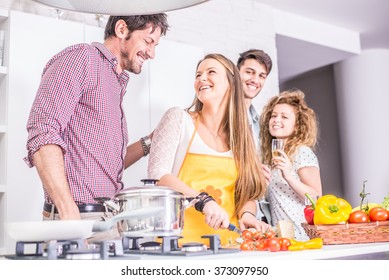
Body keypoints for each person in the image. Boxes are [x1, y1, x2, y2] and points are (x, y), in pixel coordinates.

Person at [24, 15, 169, 227]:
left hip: (108, 218)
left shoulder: (114, 81)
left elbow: (104, 165)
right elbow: (43, 131)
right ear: (121, 29)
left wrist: (150, 142)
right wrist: (68, 210)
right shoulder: (82, 58)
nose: (152, 53)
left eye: (155, 45)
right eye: (148, 41)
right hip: (77, 217)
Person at [148, 53, 270, 246]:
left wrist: (248, 214)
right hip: (180, 243)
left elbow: (246, 192)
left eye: (210, 72)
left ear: (231, 83)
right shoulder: (179, 119)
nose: (201, 79)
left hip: (230, 244)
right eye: (198, 75)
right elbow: (158, 174)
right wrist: (204, 201)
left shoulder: (242, 136)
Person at [259, 89, 323, 240]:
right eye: (273, 115)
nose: (276, 120)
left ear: (297, 126)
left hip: (302, 236)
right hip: (283, 236)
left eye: (284, 117)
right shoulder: (270, 156)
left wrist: (289, 176)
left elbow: (316, 199)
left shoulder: (302, 152)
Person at [237, 49, 273, 224]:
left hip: (260, 212)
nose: (255, 80)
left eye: (261, 76)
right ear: (237, 73)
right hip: (234, 212)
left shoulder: (258, 122)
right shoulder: (221, 115)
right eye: (249, 72)